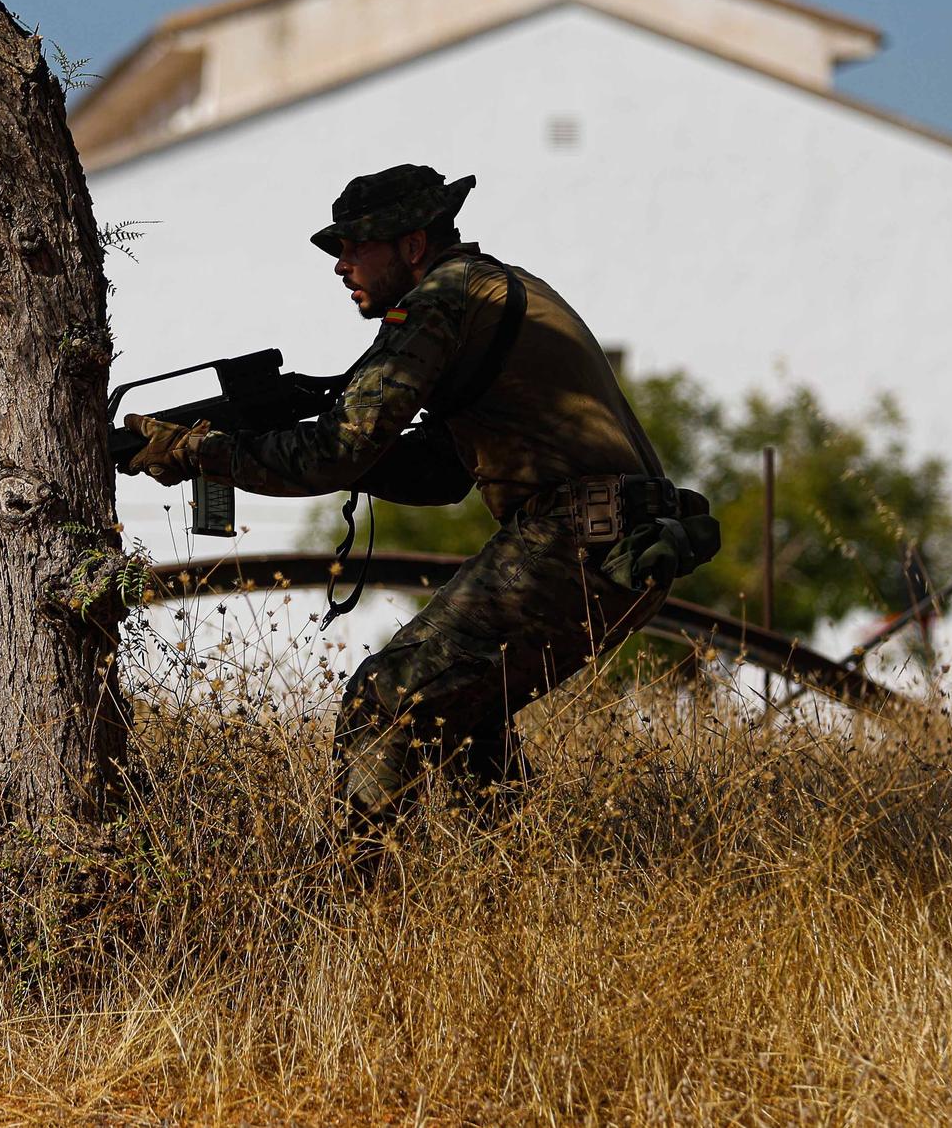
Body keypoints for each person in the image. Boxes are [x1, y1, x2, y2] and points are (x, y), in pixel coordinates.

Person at [118, 164, 717, 834]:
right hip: (619, 538)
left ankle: (360, 907)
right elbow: (439, 475)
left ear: (411, 244)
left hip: (581, 534)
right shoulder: (495, 287)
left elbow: (335, 449)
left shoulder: (439, 300)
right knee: (462, 722)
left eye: (354, 246)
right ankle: (496, 901)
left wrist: (203, 452)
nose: (341, 265)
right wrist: (307, 450)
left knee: (383, 702)